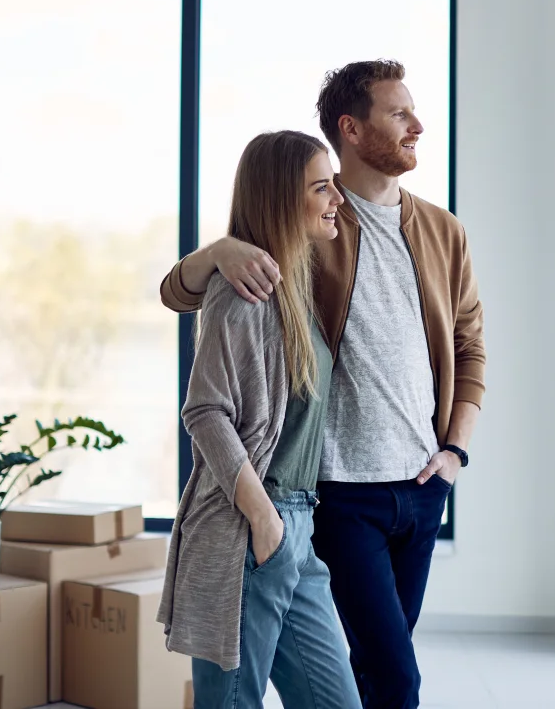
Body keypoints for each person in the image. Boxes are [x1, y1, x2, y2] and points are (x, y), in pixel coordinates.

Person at [159, 59, 487, 709]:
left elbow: (470, 346)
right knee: (391, 676)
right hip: (328, 495)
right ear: (353, 129)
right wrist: (217, 251)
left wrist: (454, 454)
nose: (417, 124)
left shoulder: (443, 232)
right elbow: (185, 302)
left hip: (418, 488)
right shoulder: (314, 229)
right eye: (399, 113)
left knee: (375, 667)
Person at [157, 130, 362, 709]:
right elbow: (204, 410)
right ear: (280, 198)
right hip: (252, 526)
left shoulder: (295, 281)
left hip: (297, 527)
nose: (335, 200)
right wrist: (264, 519)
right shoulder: (241, 290)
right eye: (321, 188)